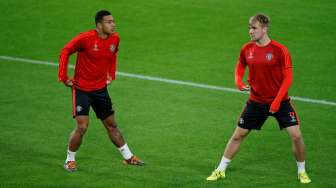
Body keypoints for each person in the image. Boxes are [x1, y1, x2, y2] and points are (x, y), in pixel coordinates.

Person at [206, 13, 311, 184]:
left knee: (296, 136)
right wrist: (238, 82)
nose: (250, 31)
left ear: (264, 29)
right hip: (256, 101)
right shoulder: (247, 49)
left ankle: (302, 171)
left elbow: (288, 78)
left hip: (280, 102)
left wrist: (277, 102)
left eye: (254, 28)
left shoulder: (280, 50)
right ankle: (220, 169)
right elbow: (240, 65)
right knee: (238, 135)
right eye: (249, 27)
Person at [58, 10, 144, 172]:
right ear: (99, 25)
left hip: (100, 90)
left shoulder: (115, 39)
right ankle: (69, 160)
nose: (113, 24)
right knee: (82, 127)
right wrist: (63, 76)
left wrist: (111, 74)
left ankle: (128, 157)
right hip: (82, 89)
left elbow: (113, 54)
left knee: (111, 125)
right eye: (108, 22)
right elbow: (65, 51)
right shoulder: (85, 38)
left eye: (113, 21)